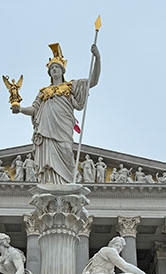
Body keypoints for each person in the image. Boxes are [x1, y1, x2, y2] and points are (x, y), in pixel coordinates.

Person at [13, 42, 101, 184]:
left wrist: (97, 58)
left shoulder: (71, 86)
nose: (54, 70)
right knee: (48, 163)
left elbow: (93, 81)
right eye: (51, 68)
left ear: (62, 71)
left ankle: (66, 186)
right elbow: (34, 109)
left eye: (57, 67)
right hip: (46, 131)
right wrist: (21, 109)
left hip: (63, 129)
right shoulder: (43, 92)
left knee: (66, 151)